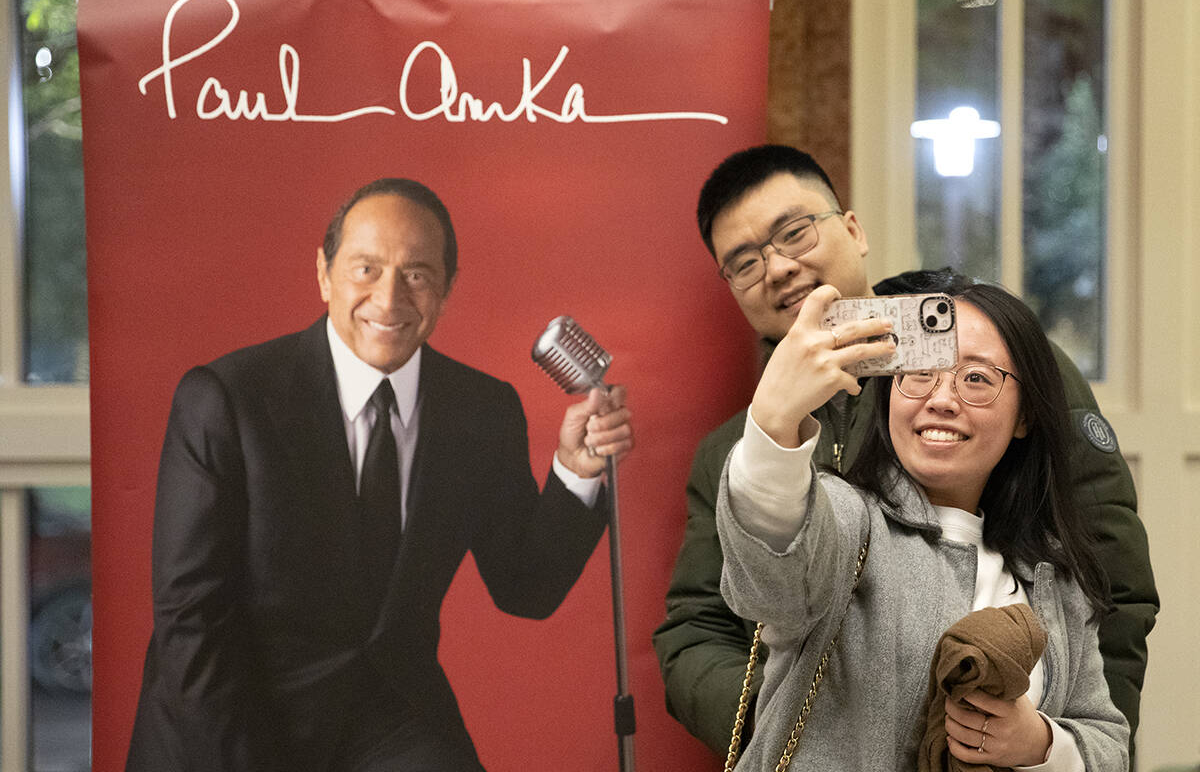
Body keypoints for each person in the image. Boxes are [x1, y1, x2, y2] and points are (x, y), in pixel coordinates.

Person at [652, 145, 1157, 755]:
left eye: (793, 233)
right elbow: (699, 630)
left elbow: (1110, 579)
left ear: (853, 229)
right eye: (744, 264)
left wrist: (1065, 745)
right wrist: (792, 717)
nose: (778, 268)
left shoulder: (993, 357)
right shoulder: (740, 451)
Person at [125, 177, 634, 772]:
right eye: (366, 269)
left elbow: (527, 588)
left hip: (390, 719)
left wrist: (575, 472)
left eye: (416, 274)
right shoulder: (226, 399)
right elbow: (191, 623)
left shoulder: (481, 410)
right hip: (233, 712)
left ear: (446, 289)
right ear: (324, 274)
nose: (390, 299)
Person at [716, 280, 1128, 770]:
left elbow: (1108, 743)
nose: (942, 398)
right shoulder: (848, 519)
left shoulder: (1054, 577)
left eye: (976, 378)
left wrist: (1038, 742)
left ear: (1025, 416)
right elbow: (773, 581)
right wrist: (773, 423)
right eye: (920, 372)